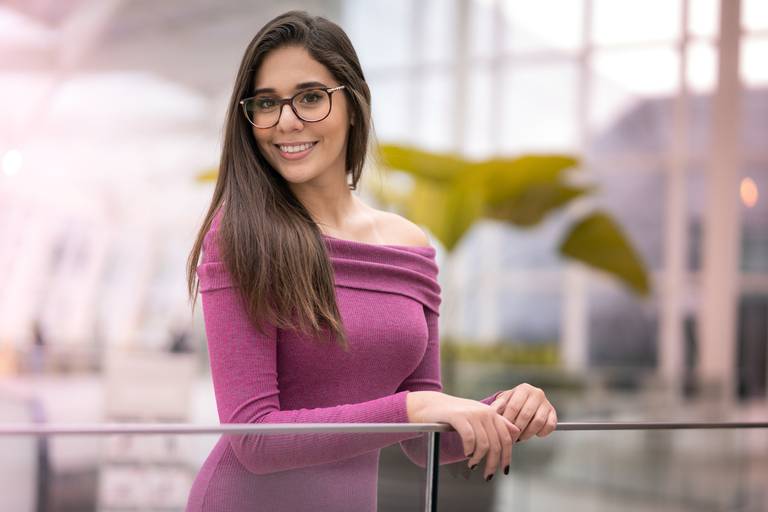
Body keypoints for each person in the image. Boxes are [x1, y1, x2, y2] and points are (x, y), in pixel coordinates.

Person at [184, 10, 557, 512]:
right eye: (267, 103)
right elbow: (253, 439)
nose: (287, 121)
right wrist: (412, 408)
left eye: (311, 97)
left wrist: (507, 408)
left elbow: (425, 437)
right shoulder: (239, 237)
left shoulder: (407, 245)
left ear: (354, 105)